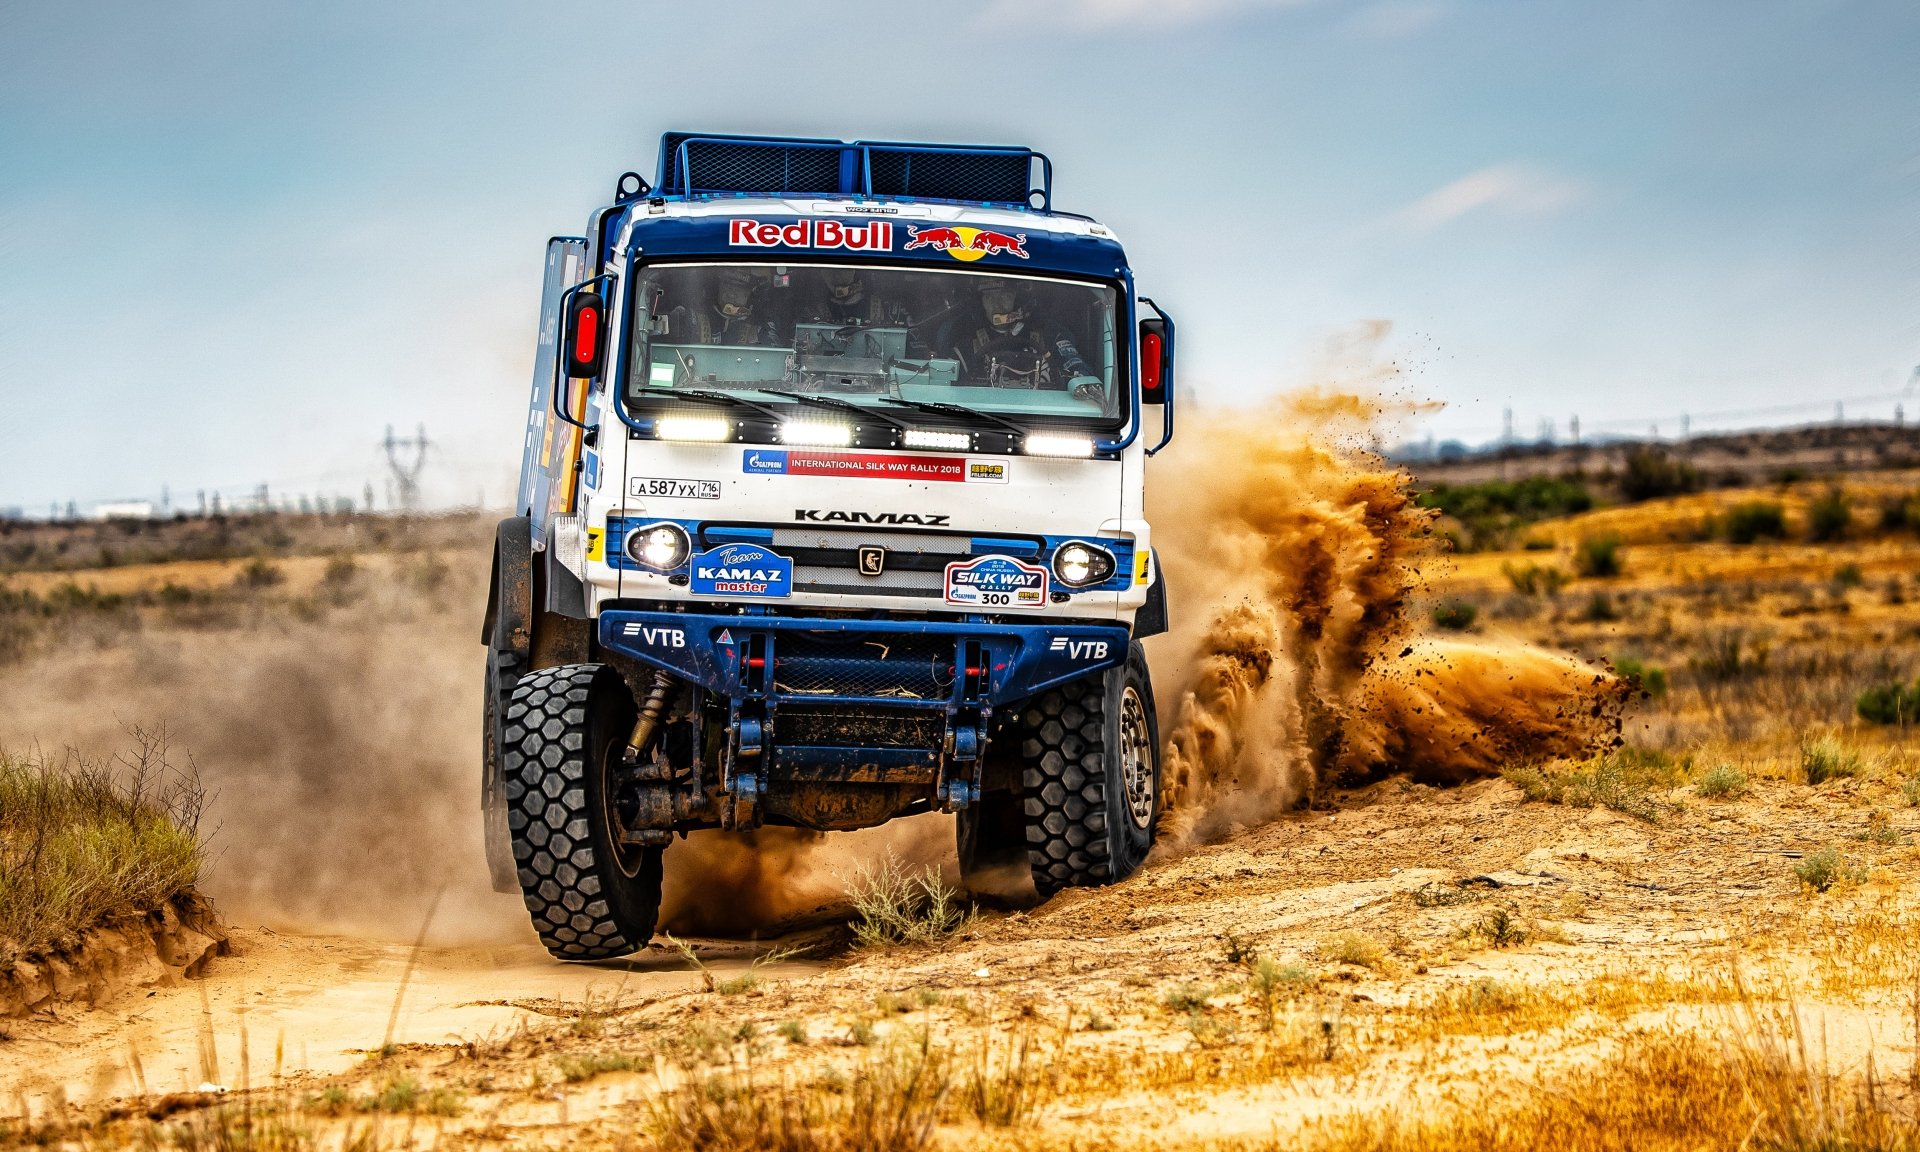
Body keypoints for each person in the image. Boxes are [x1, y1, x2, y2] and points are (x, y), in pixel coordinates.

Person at [963, 279, 1107, 406]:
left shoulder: (1049, 334)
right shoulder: (968, 341)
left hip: (1044, 416)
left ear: (1019, 299)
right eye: (989, 297)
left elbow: (1077, 368)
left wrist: (1081, 381)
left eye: (1005, 296)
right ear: (980, 302)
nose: (996, 304)